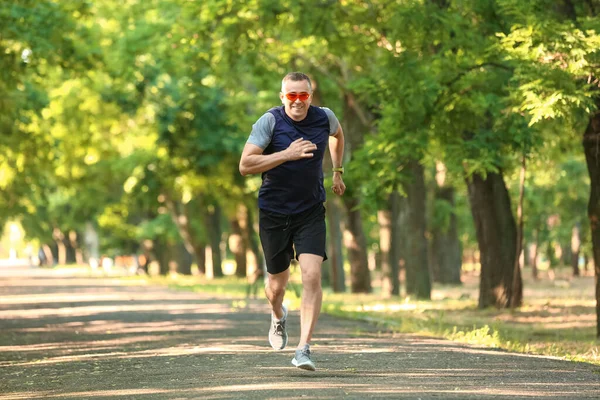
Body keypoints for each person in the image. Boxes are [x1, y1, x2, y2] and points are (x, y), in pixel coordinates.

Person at [239, 72, 346, 371]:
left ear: (310, 96)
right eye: (291, 96)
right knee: (277, 285)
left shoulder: (324, 118)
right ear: (282, 96)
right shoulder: (270, 122)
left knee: (312, 275)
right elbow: (245, 165)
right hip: (274, 212)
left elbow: (339, 135)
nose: (297, 101)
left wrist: (338, 171)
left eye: (303, 95)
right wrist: (286, 154)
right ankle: (277, 315)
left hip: (310, 210)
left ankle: (304, 349)